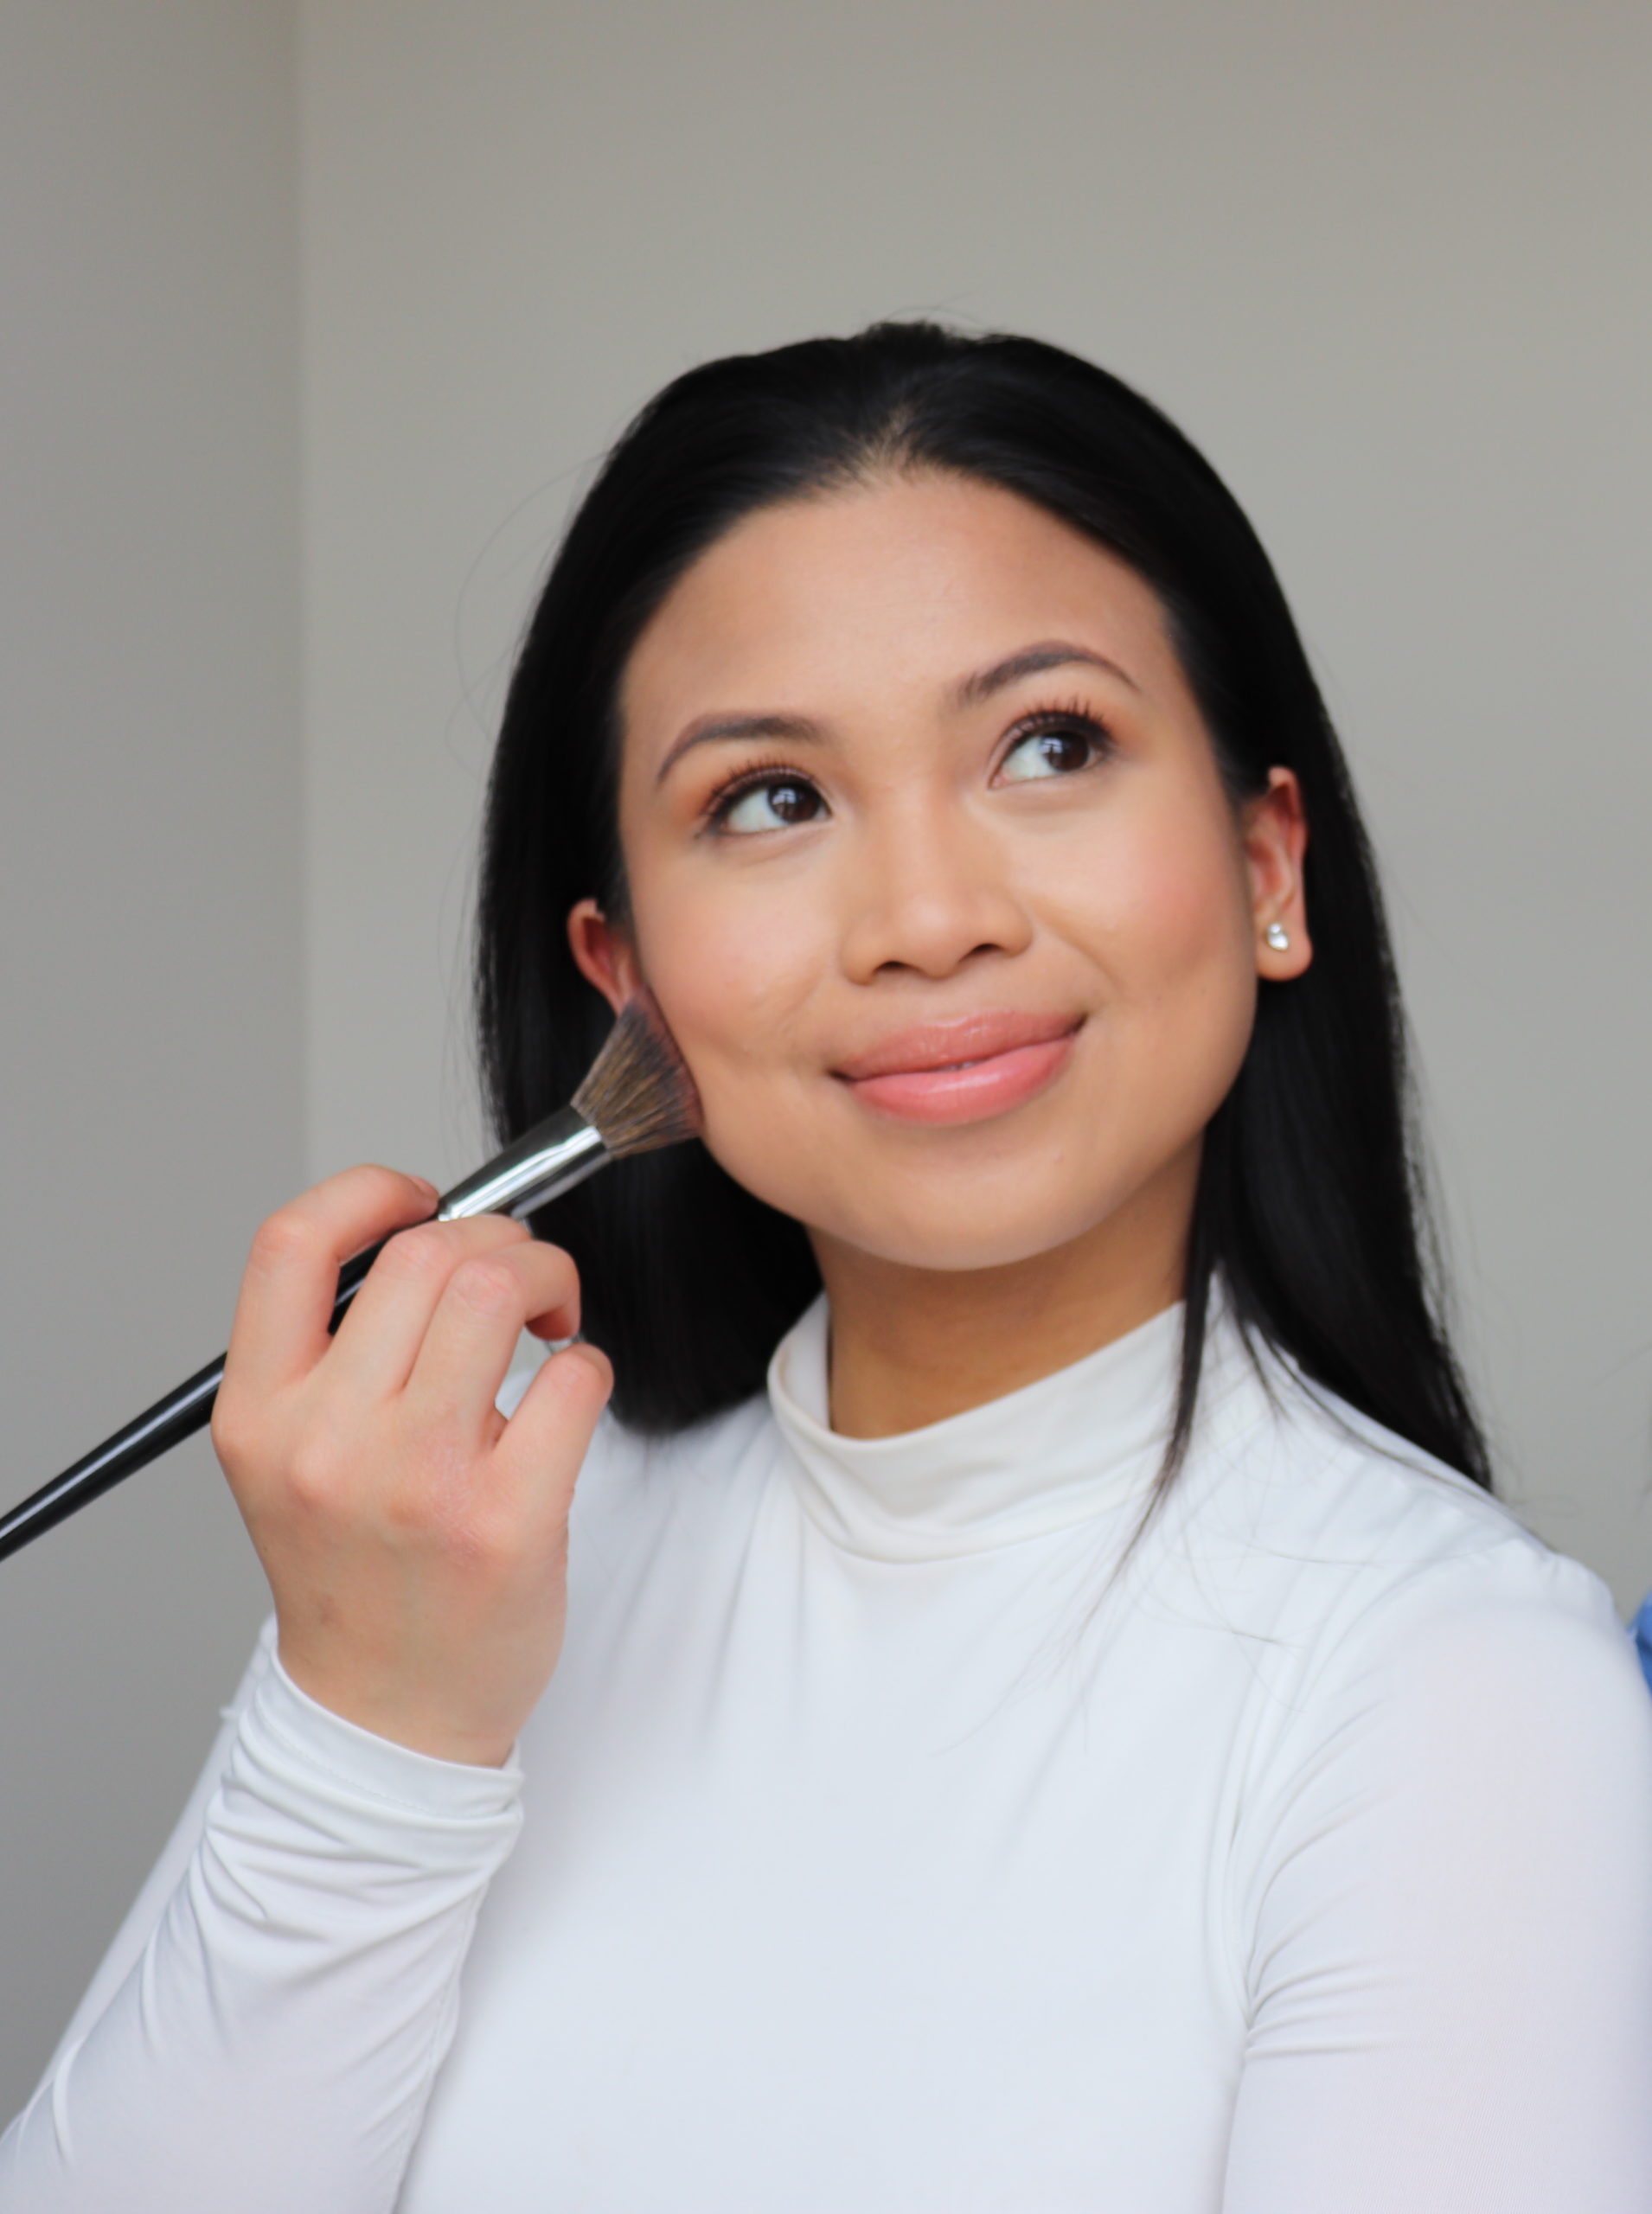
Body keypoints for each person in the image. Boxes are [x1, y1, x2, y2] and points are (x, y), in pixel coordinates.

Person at [3, 321, 1649, 2212]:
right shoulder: (465, 1569)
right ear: (626, 978)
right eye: (770, 798)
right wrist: (364, 1720)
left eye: (1051, 745)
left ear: (1269, 860)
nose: (928, 919)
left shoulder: (1451, 1685)